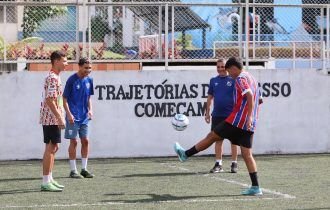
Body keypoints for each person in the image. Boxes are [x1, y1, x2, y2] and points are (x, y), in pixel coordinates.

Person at [174, 57, 263, 196]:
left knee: (212, 136)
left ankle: (185, 154)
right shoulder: (253, 78)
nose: (230, 75)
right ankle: (256, 187)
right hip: (249, 124)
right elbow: (260, 100)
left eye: (229, 71)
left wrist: (248, 116)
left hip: (237, 121)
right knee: (247, 154)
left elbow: (250, 96)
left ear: (234, 68)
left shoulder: (240, 78)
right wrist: (252, 117)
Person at [39, 50, 67, 192]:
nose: (66, 64)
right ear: (56, 61)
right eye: (64, 61)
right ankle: (45, 181)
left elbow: (56, 99)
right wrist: (59, 117)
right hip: (51, 118)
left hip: (52, 117)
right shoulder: (53, 78)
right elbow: (50, 100)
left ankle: (49, 178)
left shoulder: (56, 76)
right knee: (51, 147)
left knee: (53, 147)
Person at [63, 57, 94, 179]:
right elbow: (64, 99)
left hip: (84, 117)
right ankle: (73, 170)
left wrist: (91, 109)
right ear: (79, 66)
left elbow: (89, 98)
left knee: (85, 141)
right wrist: (69, 114)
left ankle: (84, 169)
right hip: (73, 117)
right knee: (74, 141)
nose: (88, 70)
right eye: (86, 68)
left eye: (90, 68)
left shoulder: (89, 80)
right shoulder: (71, 80)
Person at [205, 58, 238, 174]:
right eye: (218, 67)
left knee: (234, 140)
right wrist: (207, 112)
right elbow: (210, 97)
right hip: (217, 116)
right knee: (217, 140)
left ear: (227, 67)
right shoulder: (213, 81)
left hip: (231, 115)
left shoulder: (234, 80)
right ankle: (218, 164)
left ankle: (234, 163)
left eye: (222, 67)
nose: (220, 69)